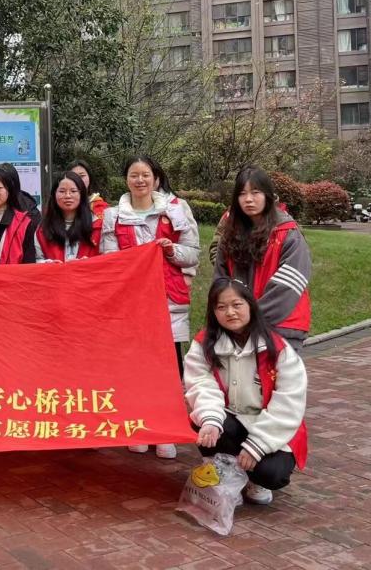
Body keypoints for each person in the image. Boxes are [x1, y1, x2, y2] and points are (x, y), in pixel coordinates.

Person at [100, 155, 199, 459]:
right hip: (131, 304)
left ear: (156, 179)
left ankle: (165, 430)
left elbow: (192, 253)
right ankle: (139, 425)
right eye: (134, 175)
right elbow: (110, 260)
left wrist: (171, 251)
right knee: (134, 366)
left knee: (168, 366)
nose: (140, 180)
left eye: (145, 175)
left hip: (168, 299)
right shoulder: (113, 216)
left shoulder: (177, 209)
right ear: (126, 179)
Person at [185, 278, 307, 506]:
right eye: (221, 307)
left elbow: (289, 403)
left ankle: (255, 479)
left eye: (237, 304)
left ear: (250, 305)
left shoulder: (279, 349)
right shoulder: (204, 344)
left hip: (269, 425)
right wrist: (211, 419)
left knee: (272, 473)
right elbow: (201, 383)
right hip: (230, 418)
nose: (230, 312)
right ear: (213, 312)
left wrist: (256, 446)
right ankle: (222, 470)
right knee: (206, 422)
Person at [214, 166, 313, 352]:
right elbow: (220, 281)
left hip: (281, 327)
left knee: (277, 372)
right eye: (242, 194)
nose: (248, 199)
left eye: (255, 192)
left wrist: (249, 318)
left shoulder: (288, 233)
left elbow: (288, 286)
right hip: (238, 328)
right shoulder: (229, 236)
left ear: (268, 195)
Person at [35, 171, 100, 262]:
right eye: (62, 191)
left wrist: (89, 263)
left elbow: (106, 259)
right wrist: (47, 264)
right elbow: (36, 259)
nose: (68, 196)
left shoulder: (97, 227)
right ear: (54, 194)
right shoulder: (43, 229)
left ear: (82, 194)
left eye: (73, 191)